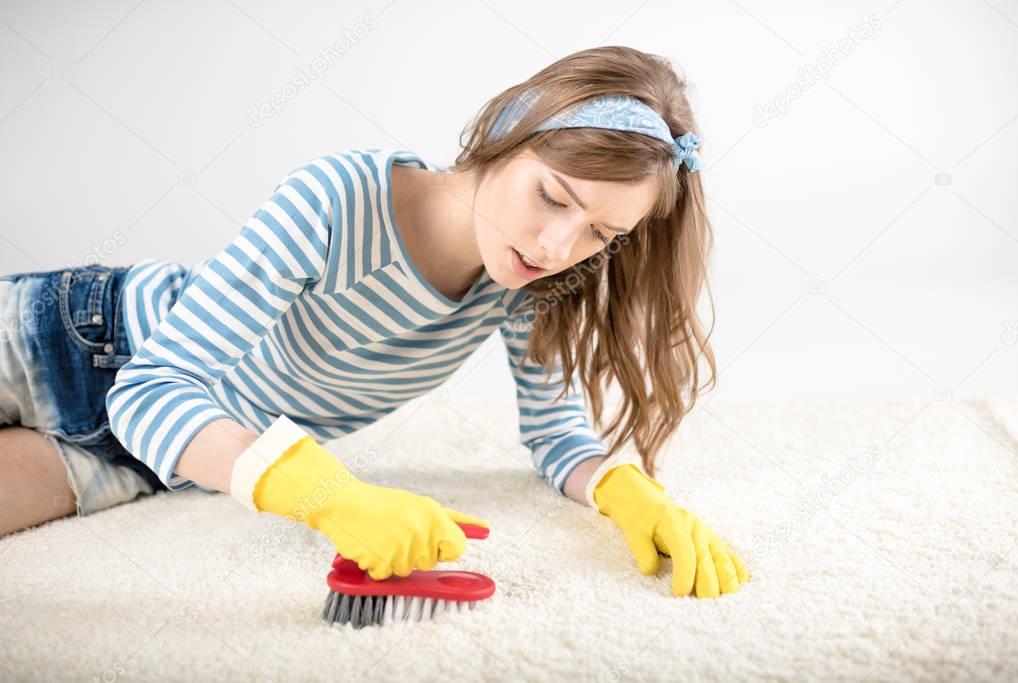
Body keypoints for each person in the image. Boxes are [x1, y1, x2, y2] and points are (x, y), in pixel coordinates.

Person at [0, 45, 749, 598]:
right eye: (553, 196)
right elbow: (151, 389)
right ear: (509, 135)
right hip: (79, 338)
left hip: (173, 460)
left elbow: (555, 434)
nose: (559, 246)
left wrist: (628, 493)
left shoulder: (527, 283)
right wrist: (326, 494)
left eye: (601, 234)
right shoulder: (338, 198)